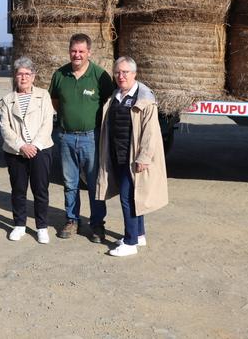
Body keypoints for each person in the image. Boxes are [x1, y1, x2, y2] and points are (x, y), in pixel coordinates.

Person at [96, 56, 169, 257]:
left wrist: (144, 157)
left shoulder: (144, 99)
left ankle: (130, 242)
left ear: (135, 74)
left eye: (125, 72)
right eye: (118, 72)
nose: (121, 76)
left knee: (128, 198)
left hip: (133, 157)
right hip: (117, 154)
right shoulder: (116, 95)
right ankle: (139, 234)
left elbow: (151, 132)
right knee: (133, 196)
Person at [49, 33, 115, 242]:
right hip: (66, 137)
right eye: (74, 51)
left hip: (91, 138)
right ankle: (72, 220)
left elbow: (109, 102)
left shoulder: (99, 76)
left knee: (95, 183)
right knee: (70, 183)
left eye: (81, 51)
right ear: (69, 51)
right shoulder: (60, 75)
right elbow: (55, 101)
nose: (77, 55)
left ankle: (97, 225)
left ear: (89, 53)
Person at [0, 57, 55, 243]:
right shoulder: (8, 100)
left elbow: (48, 122)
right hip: (16, 152)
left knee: (40, 190)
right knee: (18, 189)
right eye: (20, 73)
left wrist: (35, 146)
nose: (23, 77)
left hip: (40, 150)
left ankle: (41, 227)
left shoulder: (43, 95)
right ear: (15, 76)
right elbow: (4, 127)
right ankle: (19, 225)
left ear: (33, 76)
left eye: (27, 74)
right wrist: (21, 146)